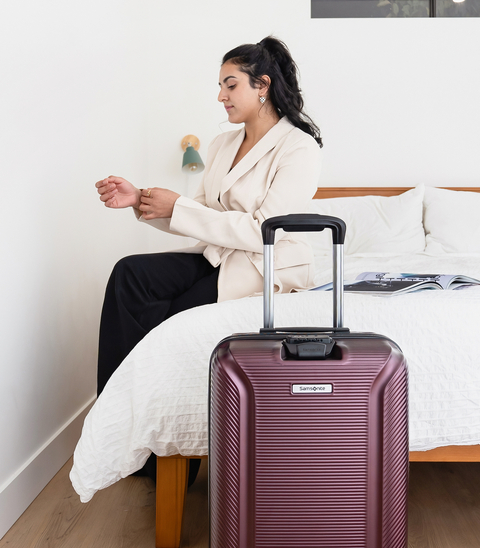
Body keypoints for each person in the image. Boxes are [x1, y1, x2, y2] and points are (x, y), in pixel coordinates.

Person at [95, 36, 323, 480]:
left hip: (262, 266)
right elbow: (201, 215)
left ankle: (172, 451)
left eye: (230, 85)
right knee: (130, 276)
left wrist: (178, 207)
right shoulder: (221, 145)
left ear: (263, 86)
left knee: (174, 321)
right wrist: (141, 199)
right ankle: (119, 428)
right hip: (218, 254)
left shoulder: (299, 148)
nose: (220, 96)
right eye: (220, 86)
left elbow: (266, 230)